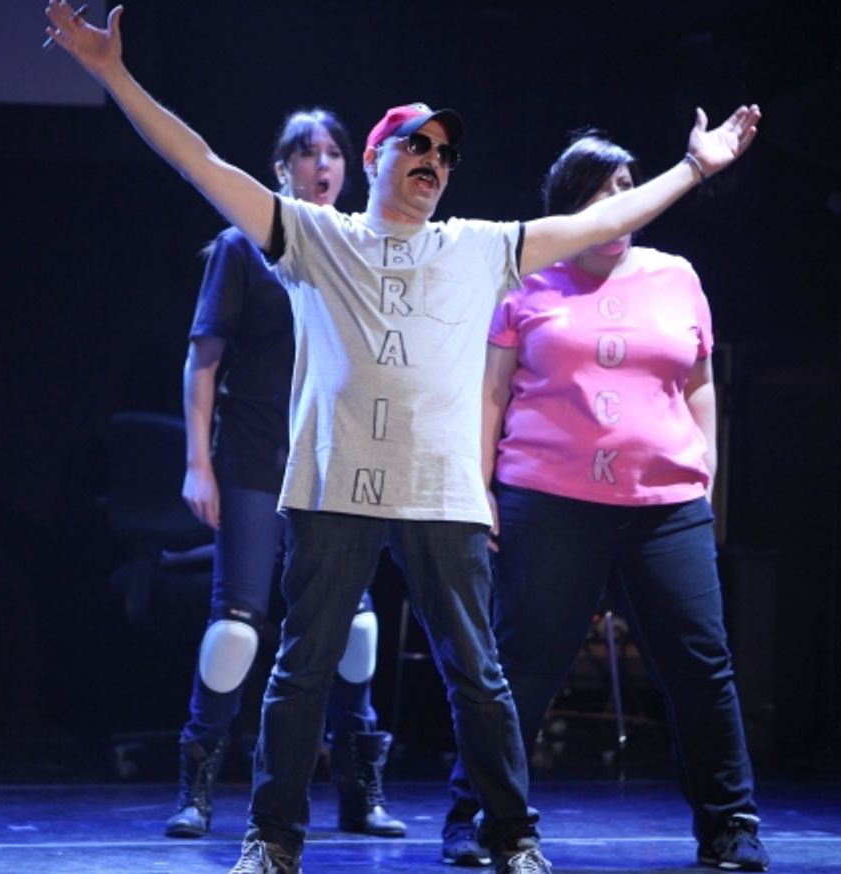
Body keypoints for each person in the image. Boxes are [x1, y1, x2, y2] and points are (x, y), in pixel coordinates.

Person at [43, 4, 759, 872]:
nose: (433, 162)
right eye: (416, 146)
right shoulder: (313, 236)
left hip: (442, 492)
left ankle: (509, 838)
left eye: (445, 153)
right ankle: (273, 840)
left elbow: (602, 223)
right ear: (375, 158)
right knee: (300, 673)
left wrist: (692, 165)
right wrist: (113, 74)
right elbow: (199, 164)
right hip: (333, 488)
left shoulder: (481, 246)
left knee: (481, 678)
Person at [440, 133, 769, 872]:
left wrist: (706, 469)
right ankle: (477, 816)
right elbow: (491, 394)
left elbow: (699, 381)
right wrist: (478, 486)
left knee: (700, 667)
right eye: (601, 191)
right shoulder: (528, 281)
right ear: (568, 208)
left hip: (665, 505)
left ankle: (730, 824)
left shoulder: (676, 276)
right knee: (521, 667)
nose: (619, 205)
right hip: (548, 502)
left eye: (628, 186)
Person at [170, 108, 403, 840]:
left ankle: (359, 788)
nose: (323, 166)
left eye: (334, 152)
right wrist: (197, 462)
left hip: (338, 465)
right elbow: (203, 360)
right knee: (237, 630)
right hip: (255, 458)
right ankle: (200, 781)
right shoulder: (243, 249)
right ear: (282, 168)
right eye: (308, 154)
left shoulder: (359, 248)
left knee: (354, 628)